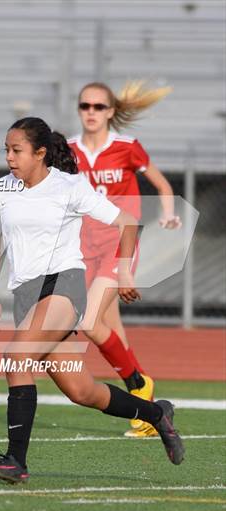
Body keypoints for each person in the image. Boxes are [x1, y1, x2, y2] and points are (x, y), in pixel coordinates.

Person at [0, 116, 184, 484]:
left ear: (40, 153)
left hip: (63, 288)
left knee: (15, 358)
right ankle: (156, 413)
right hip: (26, 296)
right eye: (6, 150)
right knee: (82, 391)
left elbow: (127, 223)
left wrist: (123, 271)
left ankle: (15, 461)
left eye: (16, 150)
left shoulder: (69, 186)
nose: (9, 157)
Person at [67, 81, 182, 438]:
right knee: (110, 329)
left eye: (98, 107)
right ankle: (147, 409)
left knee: (88, 322)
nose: (90, 112)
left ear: (111, 112)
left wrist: (168, 214)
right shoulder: (69, 150)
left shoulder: (127, 148)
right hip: (82, 249)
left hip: (119, 247)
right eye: (85, 105)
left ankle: (138, 382)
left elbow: (162, 185)